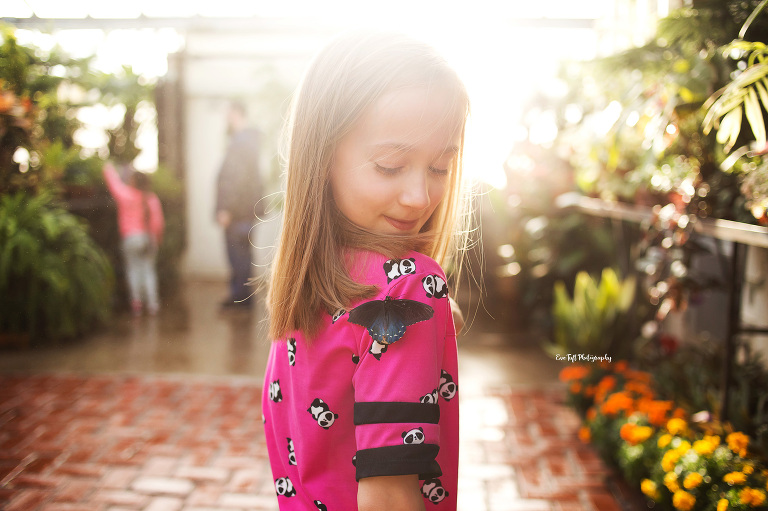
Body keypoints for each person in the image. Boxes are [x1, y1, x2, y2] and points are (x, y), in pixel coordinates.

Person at [262, 31, 471, 510]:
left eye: (441, 168)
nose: (420, 197)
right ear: (323, 158)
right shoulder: (409, 286)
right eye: (391, 165)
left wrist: (435, 317)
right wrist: (424, 299)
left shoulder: (309, 282)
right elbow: (392, 497)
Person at [215, 101, 263, 309]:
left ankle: (240, 298)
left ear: (236, 113)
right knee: (243, 253)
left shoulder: (240, 143)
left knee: (238, 254)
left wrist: (226, 208)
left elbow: (235, 178)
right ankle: (244, 297)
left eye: (228, 113)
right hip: (247, 210)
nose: (226, 118)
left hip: (238, 212)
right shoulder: (250, 142)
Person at [103, 162, 165, 316]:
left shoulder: (126, 195)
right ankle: (152, 304)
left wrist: (109, 167)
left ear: (132, 181)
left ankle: (136, 303)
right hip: (148, 239)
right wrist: (157, 239)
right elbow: (158, 223)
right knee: (148, 270)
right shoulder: (151, 199)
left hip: (130, 239)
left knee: (133, 270)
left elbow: (114, 184)